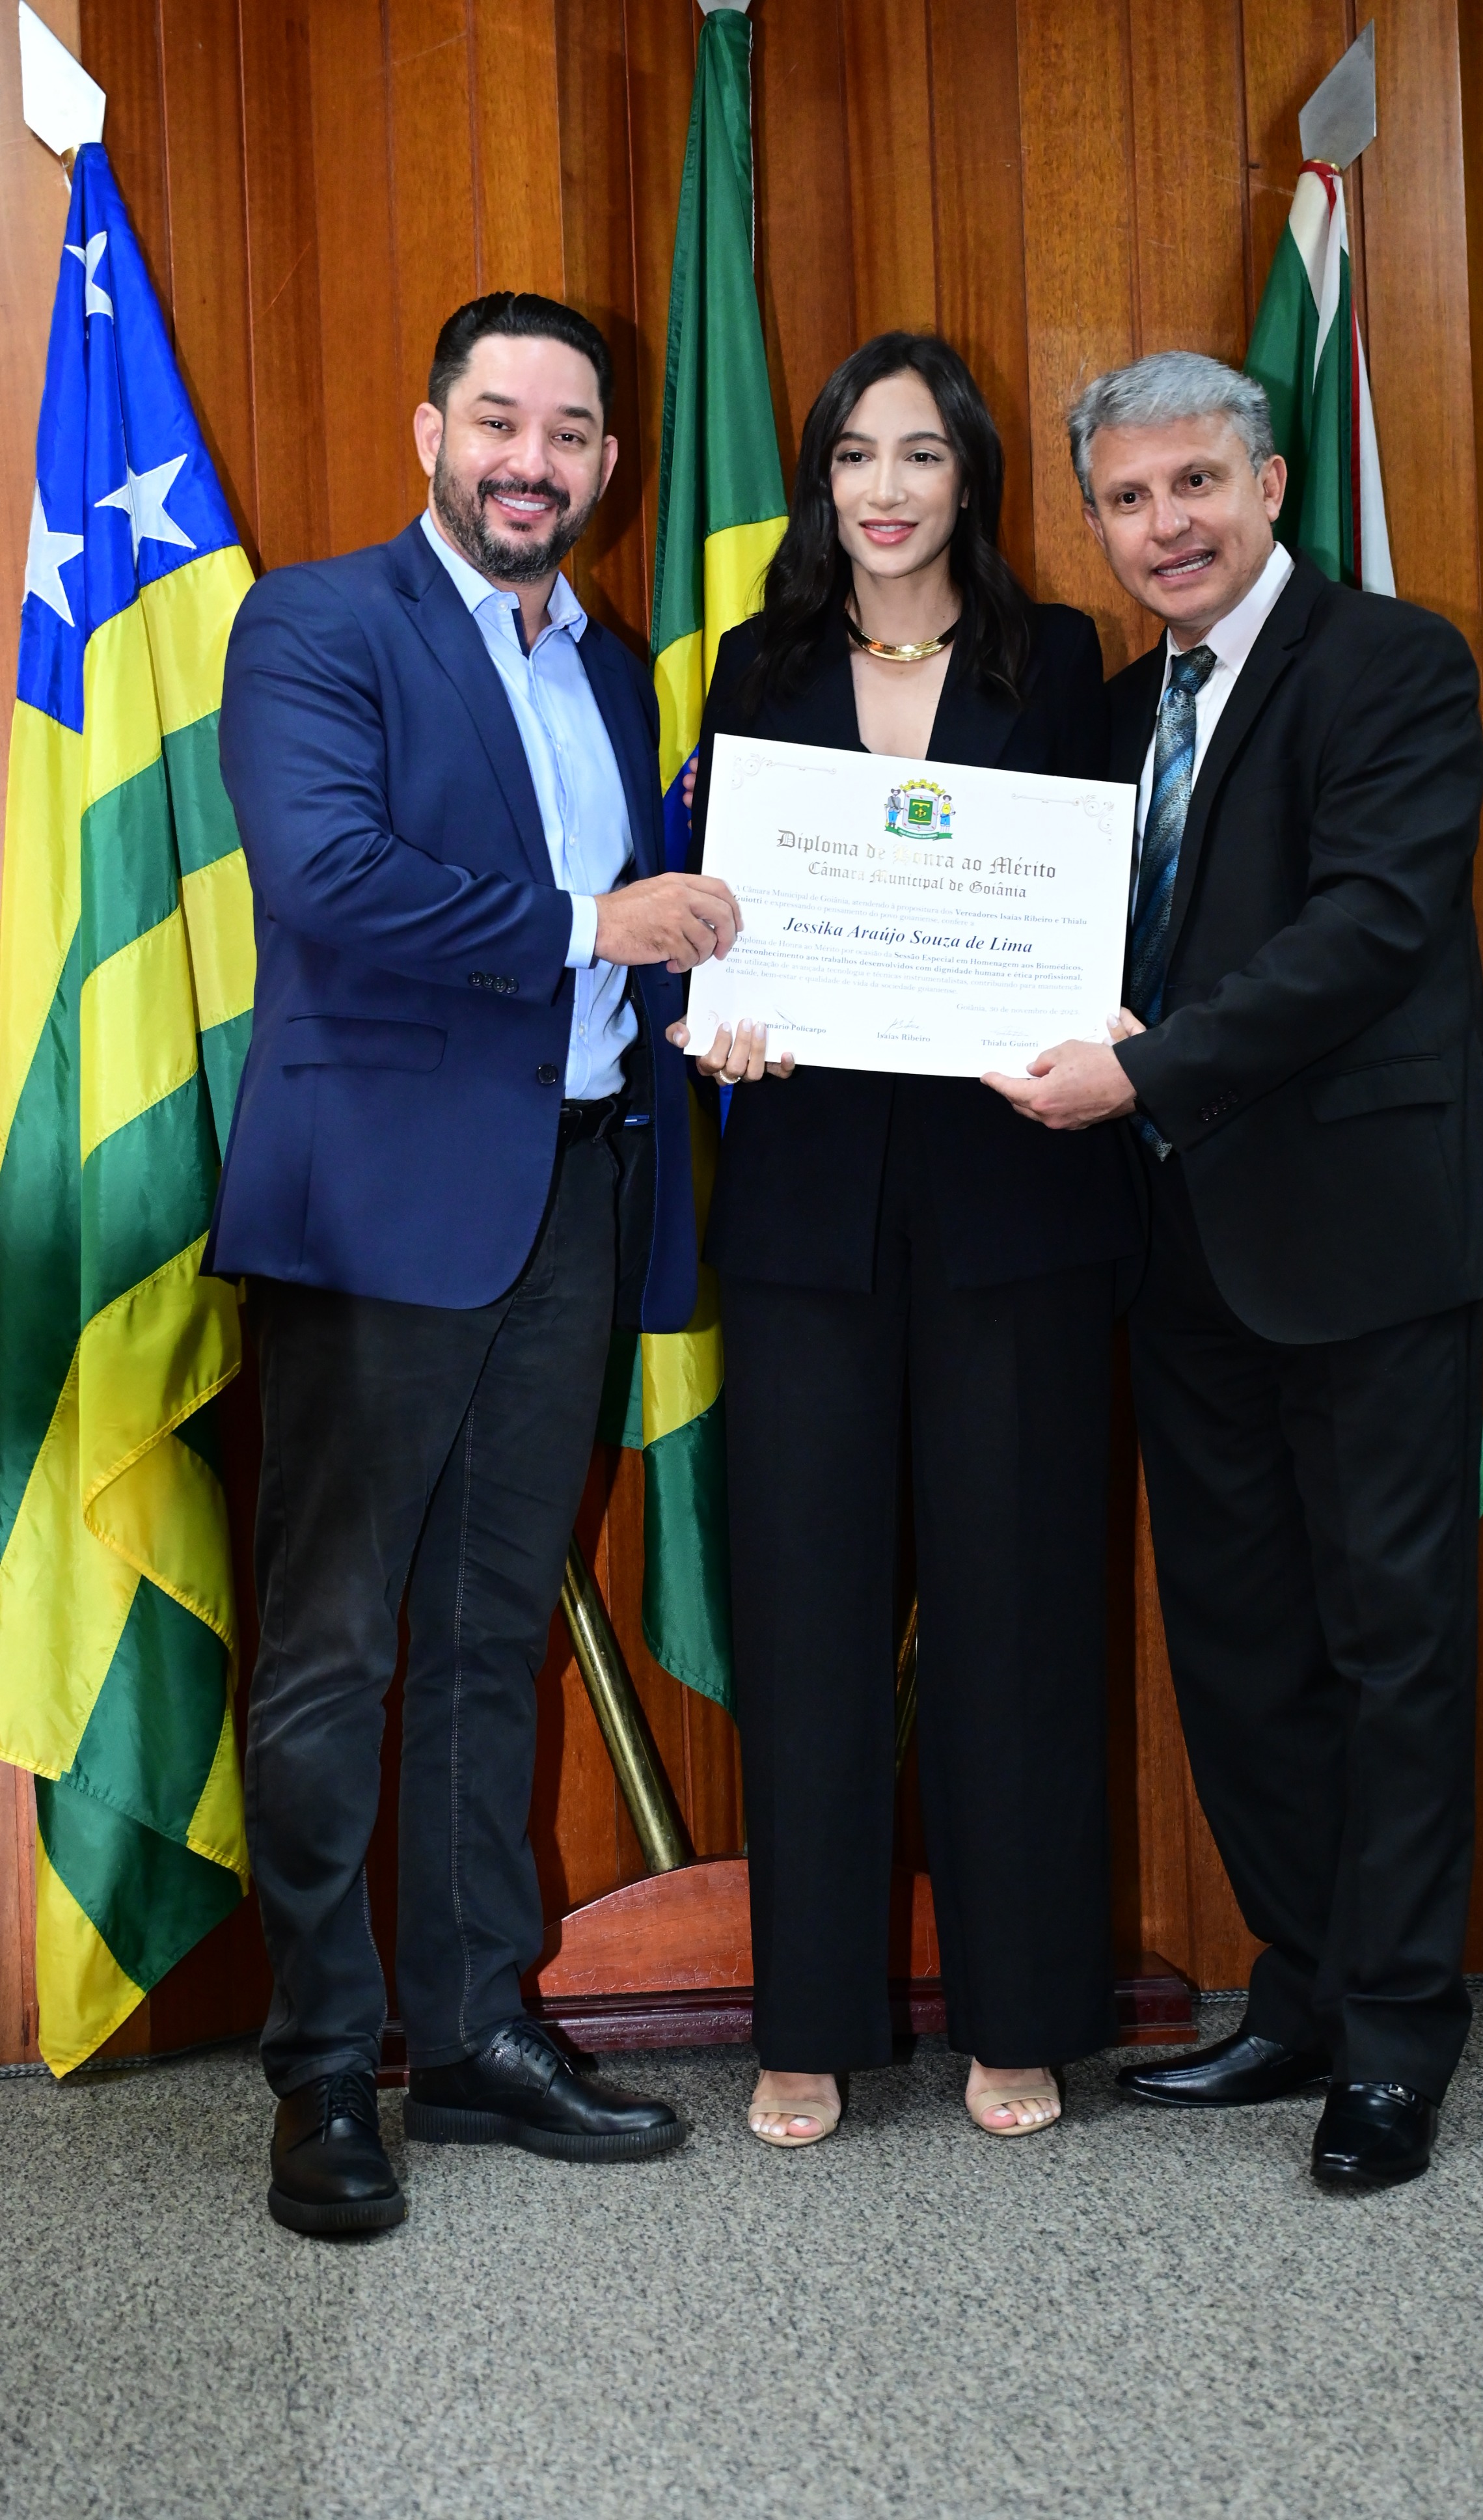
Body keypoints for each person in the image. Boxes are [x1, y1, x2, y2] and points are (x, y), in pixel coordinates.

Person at [988, 350, 1483, 2190]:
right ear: (1095, 520)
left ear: (1270, 484)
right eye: (1127, 499)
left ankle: (1393, 2042)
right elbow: (1040, 929)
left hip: (1365, 1236)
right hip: (1172, 1247)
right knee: (1238, 1648)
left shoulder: (1394, 665)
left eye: (1195, 485)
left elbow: (1370, 928)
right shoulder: (1114, 715)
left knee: (1391, 1644)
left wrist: (1147, 1073)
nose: (1164, 526)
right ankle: (1300, 1994)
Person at [211, 292, 745, 2235]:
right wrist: (600, 922)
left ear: (606, 462)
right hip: (377, 1211)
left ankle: (473, 2036)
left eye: (571, 431)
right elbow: (329, 878)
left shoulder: (607, 671)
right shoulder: (316, 624)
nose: (535, 461)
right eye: (500, 421)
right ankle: (321, 2070)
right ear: (431, 430)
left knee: (492, 1633)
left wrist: (721, 995)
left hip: (573, 1198)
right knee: (336, 1648)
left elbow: (650, 937)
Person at [670, 332, 1143, 2148]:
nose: (886, 487)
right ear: (821, 475)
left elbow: (1102, 914)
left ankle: (1018, 2014)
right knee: (808, 1619)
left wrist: (1102, 1021)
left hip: (1018, 1201)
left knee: (1016, 1618)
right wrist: (725, 1015)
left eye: (922, 454)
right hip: (807, 1206)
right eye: (857, 453)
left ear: (970, 479)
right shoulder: (758, 663)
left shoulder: (1058, 659)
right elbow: (730, 917)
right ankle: (806, 2021)